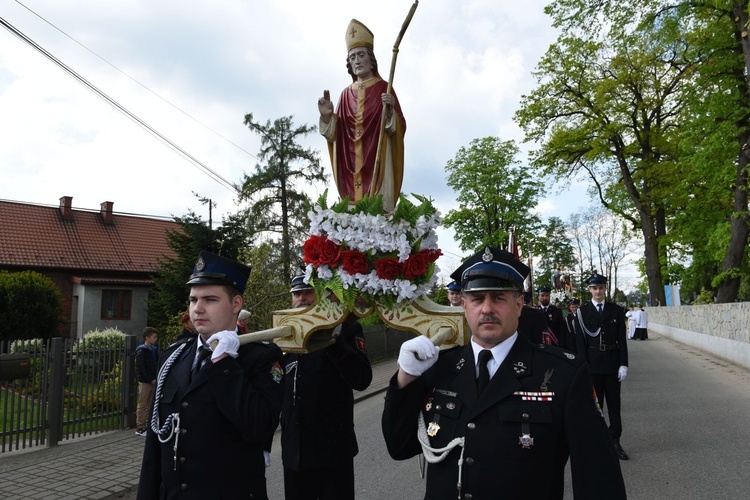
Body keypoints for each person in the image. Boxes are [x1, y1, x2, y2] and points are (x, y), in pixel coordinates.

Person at [381, 246, 627, 499]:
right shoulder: (438, 369)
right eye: (477, 299)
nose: (487, 308)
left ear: (519, 304)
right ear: (464, 305)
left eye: (499, 297)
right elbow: (399, 447)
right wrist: (406, 378)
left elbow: (598, 476)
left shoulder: (564, 373)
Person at [137, 251, 284, 499]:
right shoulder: (173, 357)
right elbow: (155, 445)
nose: (198, 308)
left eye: (210, 299)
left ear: (236, 304)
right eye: (193, 300)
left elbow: (259, 428)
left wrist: (223, 362)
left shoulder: (261, 357)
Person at [281, 273, 373, 499]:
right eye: (296, 294)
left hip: (332, 451)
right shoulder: (285, 332)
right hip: (295, 454)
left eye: (308, 292)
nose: (302, 298)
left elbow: (362, 379)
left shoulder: (347, 329)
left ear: (323, 295)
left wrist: (334, 341)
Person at [318, 18, 406, 212]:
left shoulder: (384, 88)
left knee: (379, 212)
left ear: (371, 59)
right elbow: (336, 135)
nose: (357, 61)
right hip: (349, 167)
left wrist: (390, 113)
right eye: (352, 57)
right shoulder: (345, 94)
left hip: (378, 161)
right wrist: (327, 118)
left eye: (361, 55)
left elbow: (398, 128)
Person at [570, 273, 630, 460]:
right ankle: (596, 442)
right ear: (590, 290)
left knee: (614, 405)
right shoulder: (582, 312)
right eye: (594, 288)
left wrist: (623, 364)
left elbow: (622, 339)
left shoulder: (615, 310)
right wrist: (583, 368)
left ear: (605, 289)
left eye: (601, 288)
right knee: (595, 407)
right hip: (593, 365)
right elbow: (580, 344)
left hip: (612, 364)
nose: (598, 291)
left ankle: (614, 440)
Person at [134, 327, 158, 437]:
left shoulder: (153, 349)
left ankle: (149, 425)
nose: (156, 339)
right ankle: (140, 427)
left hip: (153, 380)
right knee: (143, 404)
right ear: (147, 338)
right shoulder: (141, 351)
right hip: (145, 381)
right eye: (154, 337)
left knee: (150, 404)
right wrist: (150, 379)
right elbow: (141, 368)